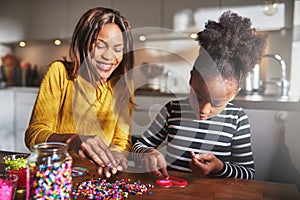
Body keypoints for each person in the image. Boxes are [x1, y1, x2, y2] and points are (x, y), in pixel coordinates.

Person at [131, 11, 266, 180]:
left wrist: (219, 167)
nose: (204, 109)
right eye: (198, 96)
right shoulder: (172, 110)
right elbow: (138, 145)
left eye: (216, 103)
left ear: (233, 94)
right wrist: (147, 153)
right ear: (190, 80)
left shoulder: (237, 120)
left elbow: (248, 174)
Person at [25, 7, 135, 178]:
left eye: (118, 49)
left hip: (98, 179)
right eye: (100, 46)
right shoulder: (60, 73)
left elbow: (122, 142)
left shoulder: (123, 85)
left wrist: (114, 157)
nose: (109, 56)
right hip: (56, 177)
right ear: (84, 43)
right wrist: (71, 141)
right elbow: (34, 134)